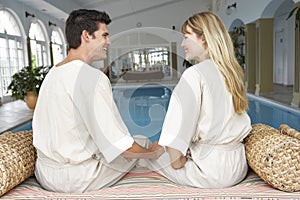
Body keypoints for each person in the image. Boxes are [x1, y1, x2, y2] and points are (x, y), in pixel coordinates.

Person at [32, 9, 163, 193]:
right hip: (79, 177)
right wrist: (154, 151)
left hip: (45, 173)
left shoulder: (52, 74)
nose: (108, 42)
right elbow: (118, 145)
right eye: (104, 35)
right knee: (143, 142)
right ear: (86, 35)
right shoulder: (92, 78)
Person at [143, 11, 252, 188]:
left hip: (210, 171)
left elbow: (177, 129)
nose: (182, 43)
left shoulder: (194, 74)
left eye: (186, 37)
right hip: (238, 165)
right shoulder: (231, 72)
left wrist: (177, 161)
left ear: (204, 38)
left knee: (146, 157)